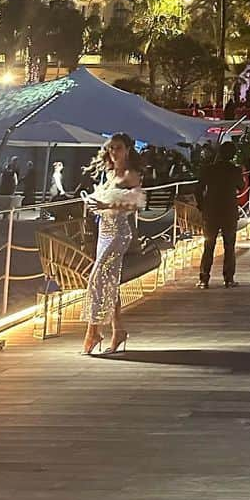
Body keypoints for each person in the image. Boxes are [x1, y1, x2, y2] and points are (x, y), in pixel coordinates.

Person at [81, 133, 146, 357]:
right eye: (111, 148)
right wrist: (95, 204)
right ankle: (117, 330)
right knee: (109, 282)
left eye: (118, 148)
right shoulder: (108, 173)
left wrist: (106, 203)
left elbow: (135, 205)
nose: (113, 152)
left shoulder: (131, 175)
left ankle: (93, 332)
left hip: (118, 233)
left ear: (127, 149)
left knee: (97, 278)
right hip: (103, 232)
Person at [197, 142, 244, 289]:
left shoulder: (208, 169)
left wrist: (202, 206)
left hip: (211, 211)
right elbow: (241, 187)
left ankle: (204, 279)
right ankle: (228, 279)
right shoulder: (234, 170)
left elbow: (198, 189)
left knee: (208, 245)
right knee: (229, 246)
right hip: (229, 211)